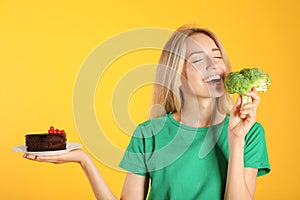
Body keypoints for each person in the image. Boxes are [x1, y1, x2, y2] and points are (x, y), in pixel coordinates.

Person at [23, 24, 270, 200]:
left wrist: (236, 141)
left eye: (217, 57)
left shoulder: (249, 133)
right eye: (197, 60)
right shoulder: (149, 133)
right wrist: (85, 161)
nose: (213, 66)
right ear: (177, 74)